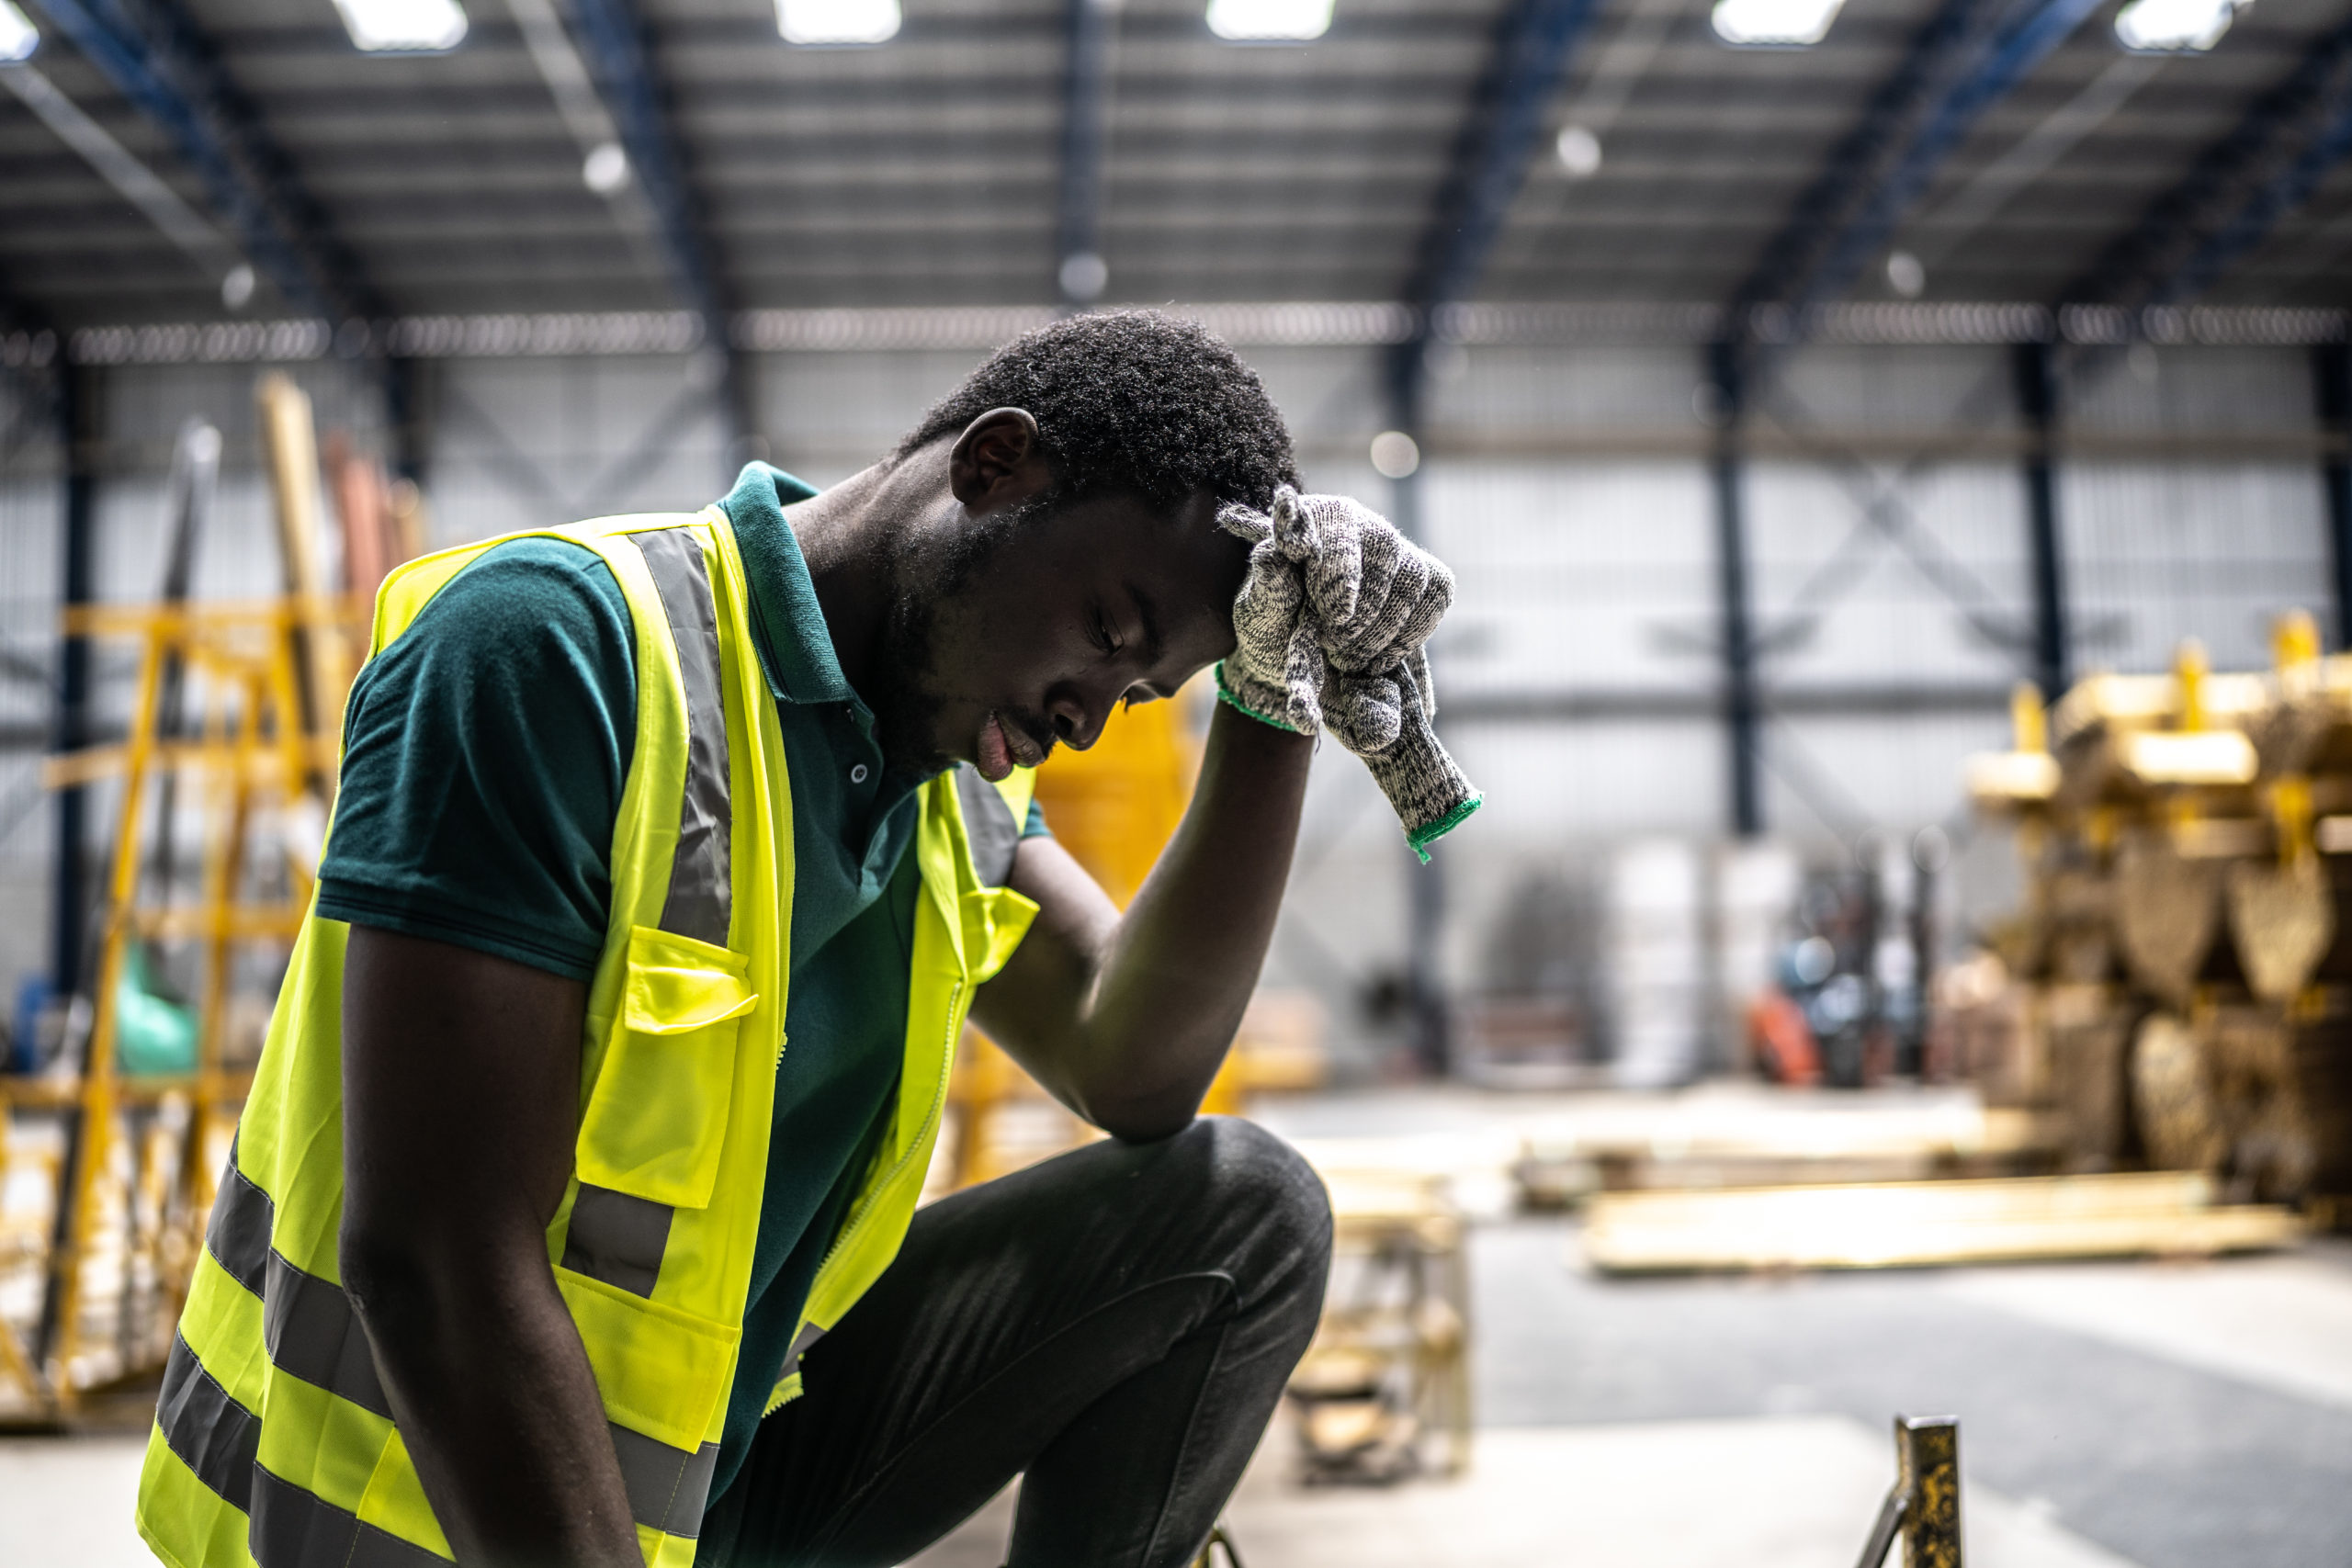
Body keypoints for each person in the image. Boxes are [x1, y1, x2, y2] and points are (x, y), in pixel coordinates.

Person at [137, 310, 1473, 1568]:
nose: (1090, 718)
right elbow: (433, 1263)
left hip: (704, 1484)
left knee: (1243, 1213)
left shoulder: (948, 782)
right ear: (995, 467)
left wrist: (1269, 704)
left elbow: (1135, 1066)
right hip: (426, 1521)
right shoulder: (557, 653)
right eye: (1110, 633)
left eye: (1138, 694)